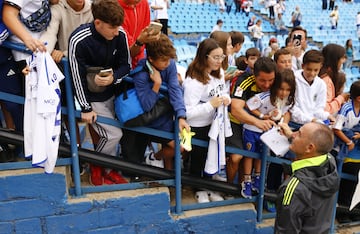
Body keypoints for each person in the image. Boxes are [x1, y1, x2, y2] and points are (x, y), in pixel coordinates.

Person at [68, 0, 131, 186]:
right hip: (92, 97)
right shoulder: (78, 39)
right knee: (114, 135)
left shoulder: (120, 34)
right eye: (112, 27)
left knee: (111, 135)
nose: (116, 31)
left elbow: (126, 66)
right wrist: (86, 107)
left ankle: (108, 169)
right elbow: (76, 77)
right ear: (98, 23)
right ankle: (97, 165)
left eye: (118, 26)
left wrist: (114, 78)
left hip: (114, 94)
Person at [183, 38, 231, 202]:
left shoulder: (219, 73)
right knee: (198, 158)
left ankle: (210, 186)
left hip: (215, 124)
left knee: (212, 156)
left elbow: (224, 92)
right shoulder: (194, 81)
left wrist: (226, 99)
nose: (219, 61)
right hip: (197, 127)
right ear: (204, 57)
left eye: (221, 57)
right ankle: (199, 189)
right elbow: (187, 112)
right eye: (215, 57)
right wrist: (210, 105)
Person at [132, 34, 189, 170]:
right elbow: (147, 105)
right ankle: (153, 157)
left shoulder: (170, 65)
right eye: (163, 60)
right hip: (152, 120)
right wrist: (156, 85)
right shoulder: (141, 74)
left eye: (169, 60)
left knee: (187, 146)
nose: (168, 64)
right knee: (180, 148)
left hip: (167, 114)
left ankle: (168, 177)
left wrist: (181, 116)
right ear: (151, 59)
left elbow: (175, 89)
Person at [274, 122, 340, 233]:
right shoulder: (330, 162)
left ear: (309, 148)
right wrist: (290, 135)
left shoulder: (293, 188)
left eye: (299, 134)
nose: (294, 135)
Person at [226, 57, 277, 198]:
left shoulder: (277, 82)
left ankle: (247, 185)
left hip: (258, 127)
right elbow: (236, 109)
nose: (267, 85)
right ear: (254, 75)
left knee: (258, 156)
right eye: (262, 81)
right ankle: (228, 188)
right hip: (236, 122)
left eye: (270, 80)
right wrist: (258, 121)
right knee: (237, 157)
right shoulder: (244, 80)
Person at [243, 69, 295, 200]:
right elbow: (249, 106)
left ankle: (258, 179)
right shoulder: (265, 97)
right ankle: (247, 181)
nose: (284, 92)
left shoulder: (288, 101)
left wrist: (280, 122)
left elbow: (283, 113)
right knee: (249, 155)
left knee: (261, 156)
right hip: (251, 129)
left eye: (287, 89)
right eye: (281, 89)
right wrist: (263, 116)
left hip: (266, 133)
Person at [333, 81, 360, 223]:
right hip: (345, 152)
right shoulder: (347, 108)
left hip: (357, 152)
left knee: (356, 182)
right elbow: (336, 129)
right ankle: (342, 211)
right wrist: (349, 141)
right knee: (347, 182)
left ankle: (355, 210)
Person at [290, 50, 335, 128]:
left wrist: (327, 116)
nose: (312, 73)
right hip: (295, 124)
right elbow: (292, 110)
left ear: (320, 67)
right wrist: (311, 120)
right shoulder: (293, 80)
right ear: (302, 66)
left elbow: (318, 110)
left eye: (316, 70)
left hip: (313, 124)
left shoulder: (321, 84)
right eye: (309, 69)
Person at [118, 0, 161, 68]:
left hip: (140, 60)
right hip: (120, 63)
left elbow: (146, 30)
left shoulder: (144, 3)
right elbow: (127, 52)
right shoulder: (115, 7)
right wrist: (139, 42)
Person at [318, 43, 349, 115]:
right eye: (342, 58)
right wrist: (341, 98)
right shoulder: (326, 80)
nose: (343, 61)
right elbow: (326, 109)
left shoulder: (325, 75)